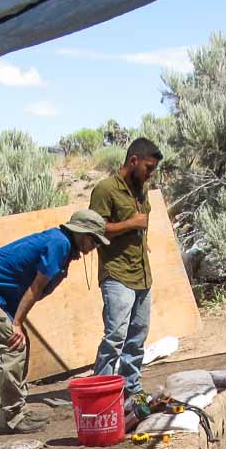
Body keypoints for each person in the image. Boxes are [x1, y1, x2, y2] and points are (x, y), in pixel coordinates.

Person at [0, 209, 105, 432]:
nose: (95, 247)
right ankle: (12, 418)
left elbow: (22, 284)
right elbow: (35, 288)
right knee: (13, 347)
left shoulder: (62, 245)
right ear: (81, 233)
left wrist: (16, 321)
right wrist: (16, 323)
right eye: (95, 240)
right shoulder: (59, 244)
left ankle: (17, 411)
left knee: (20, 343)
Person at [87, 138, 164, 389]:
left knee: (137, 336)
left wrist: (142, 239)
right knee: (115, 337)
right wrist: (130, 225)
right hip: (117, 274)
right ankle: (102, 390)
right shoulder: (105, 190)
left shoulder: (140, 190)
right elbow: (93, 231)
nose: (151, 174)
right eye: (148, 168)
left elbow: (141, 222)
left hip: (142, 273)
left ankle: (131, 388)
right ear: (133, 161)